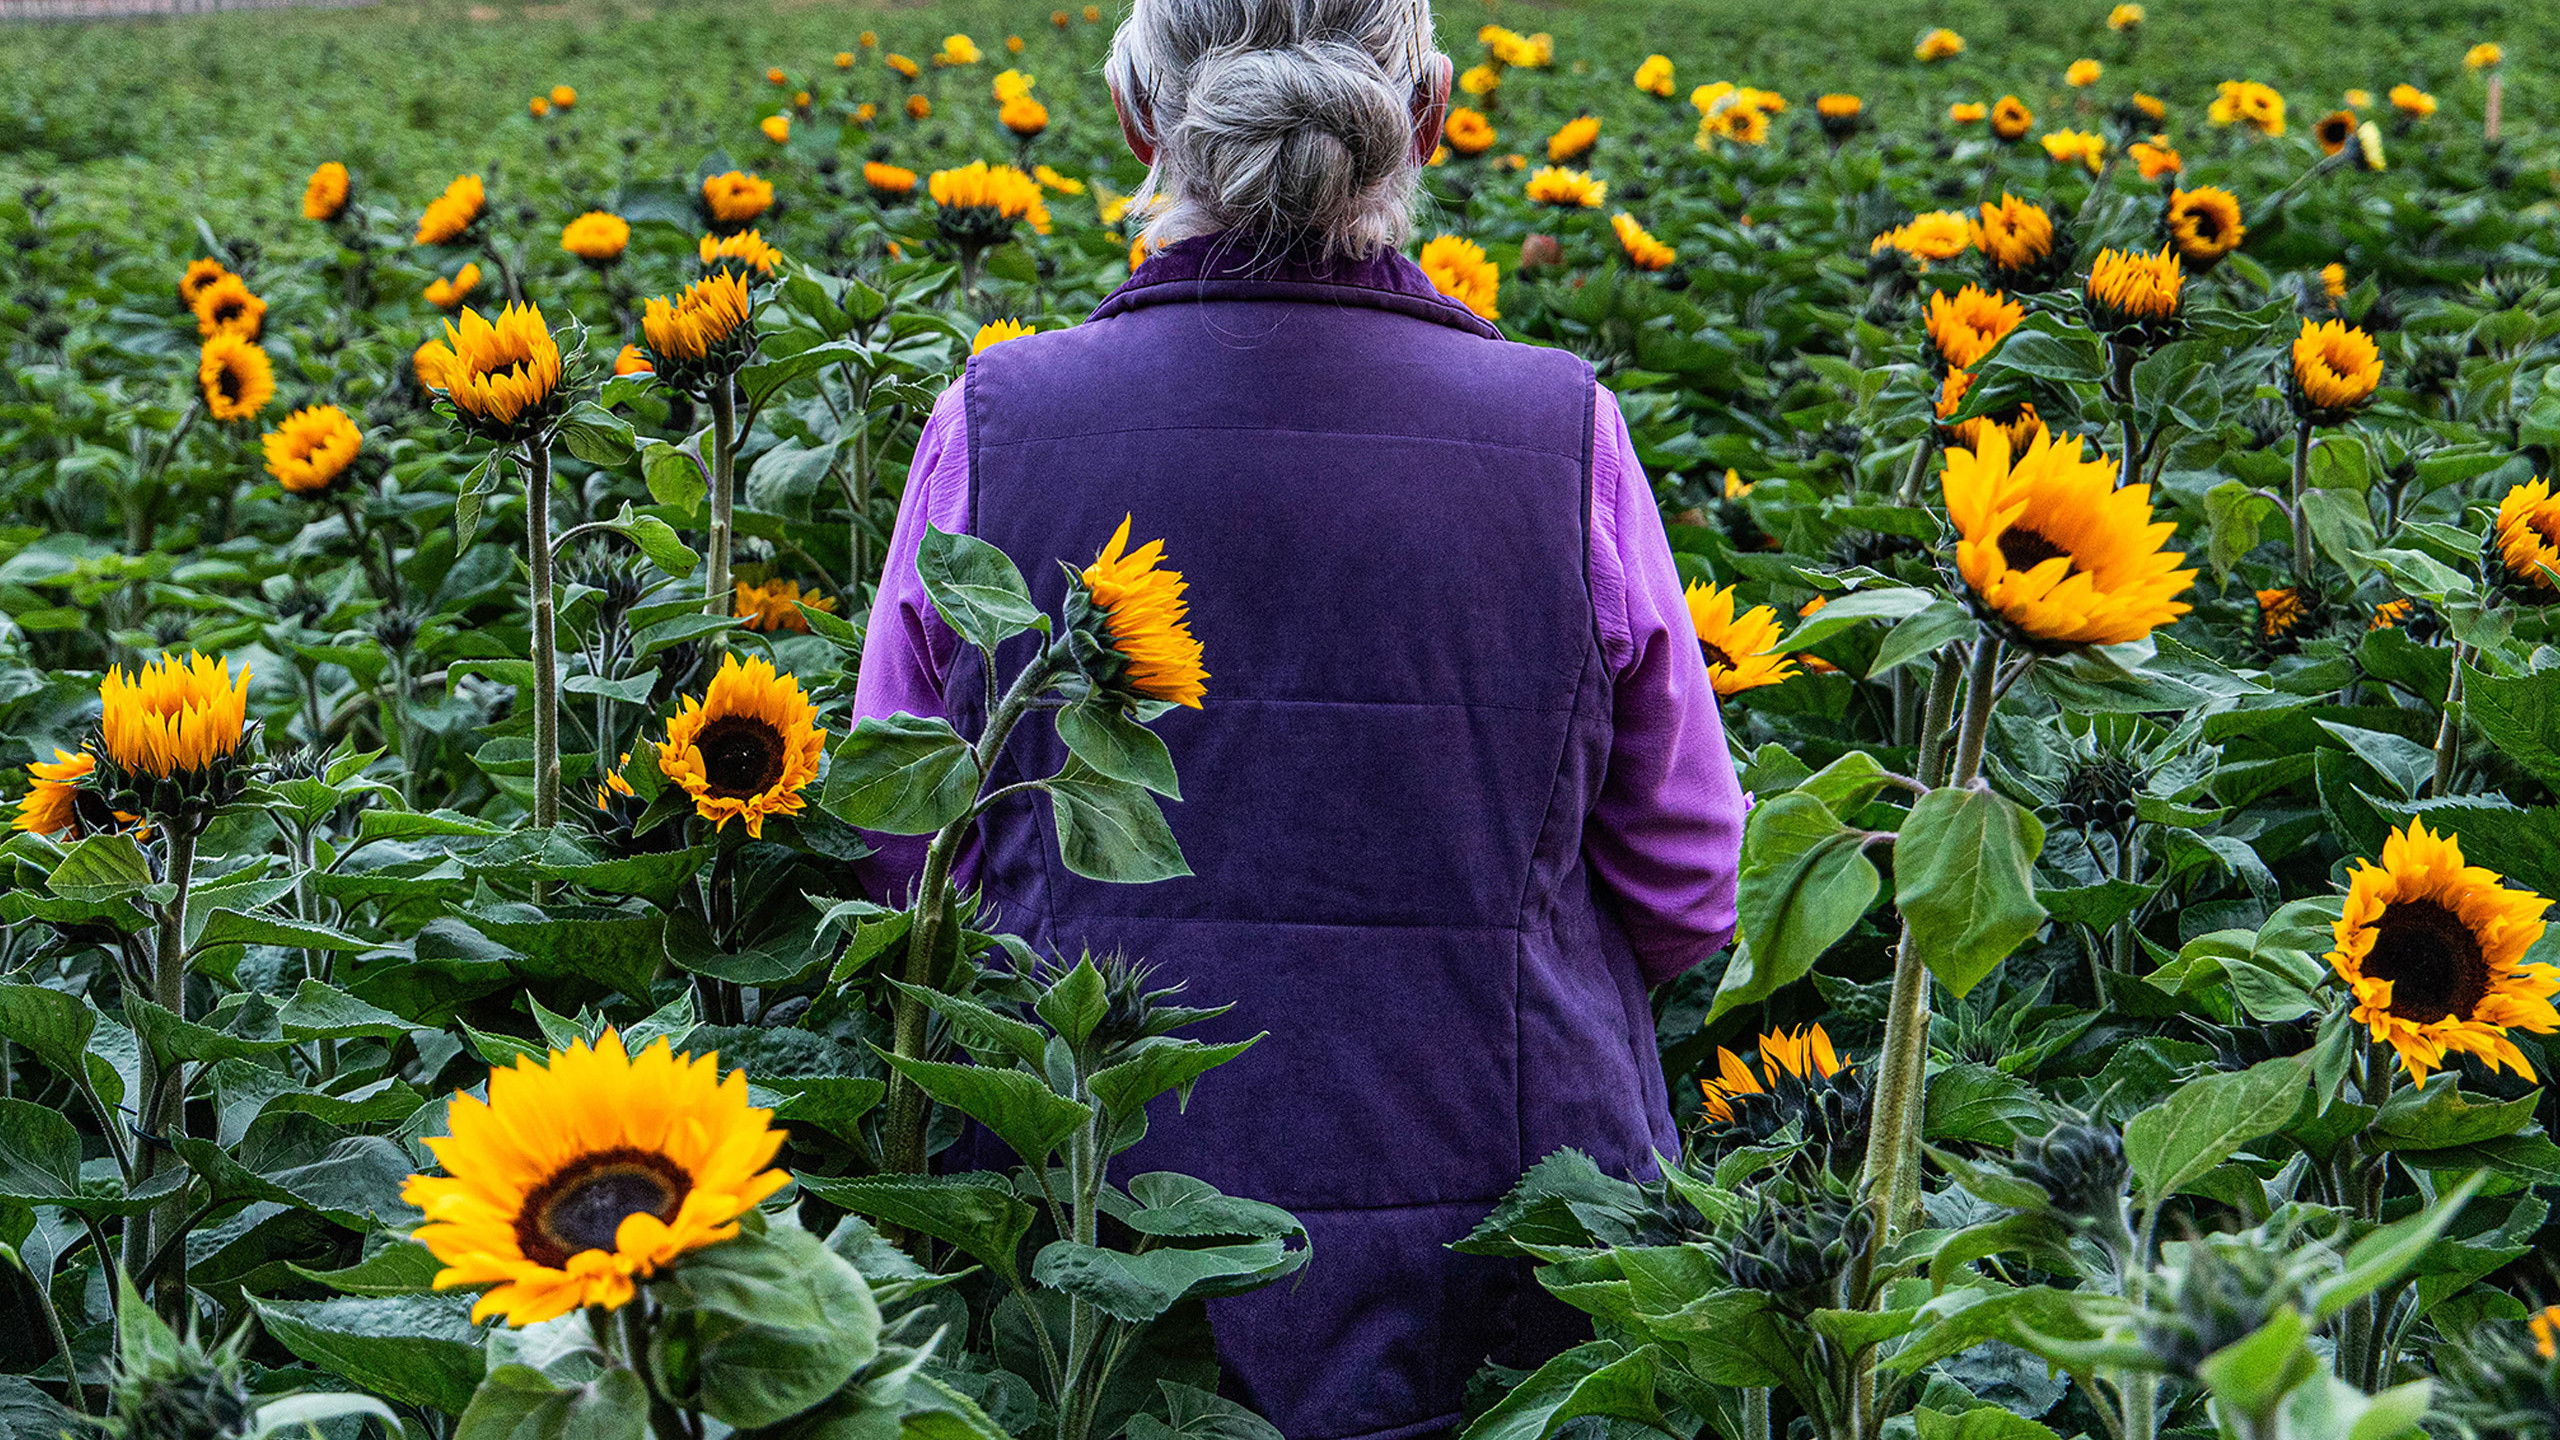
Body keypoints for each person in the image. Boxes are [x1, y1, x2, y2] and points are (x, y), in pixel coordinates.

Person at [852, 0, 1745, 1432]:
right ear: (1432, 117)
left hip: (1079, 1236)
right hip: (1499, 1235)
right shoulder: (1559, 432)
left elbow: (904, 854)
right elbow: (1692, 883)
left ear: (1143, 124)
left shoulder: (997, 421)